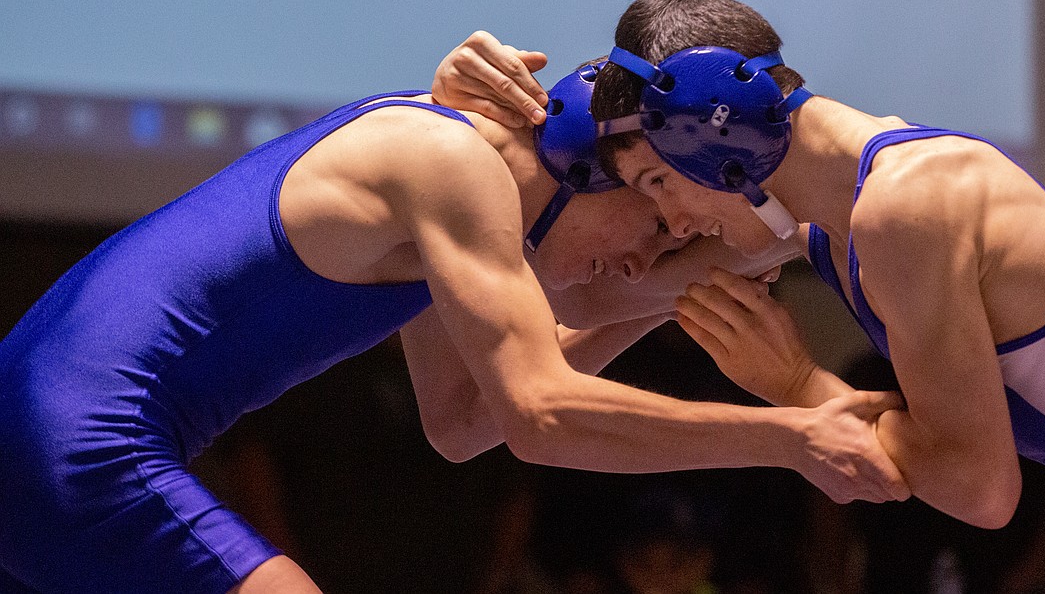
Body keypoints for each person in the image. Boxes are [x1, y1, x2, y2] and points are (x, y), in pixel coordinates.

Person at [0, 41, 909, 591]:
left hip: (43, 425)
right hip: (80, 444)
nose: (647, 254)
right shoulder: (452, 164)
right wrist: (790, 435)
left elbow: (465, 422)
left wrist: (777, 234)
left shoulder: (452, 183)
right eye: (660, 215)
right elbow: (540, 411)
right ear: (587, 162)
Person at [445, 0, 1045, 591]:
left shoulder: (902, 210)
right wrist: (468, 126)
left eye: (659, 183)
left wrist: (799, 385)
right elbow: (579, 305)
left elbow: (980, 488)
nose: (667, 221)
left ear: (719, 138)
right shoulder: (819, 226)